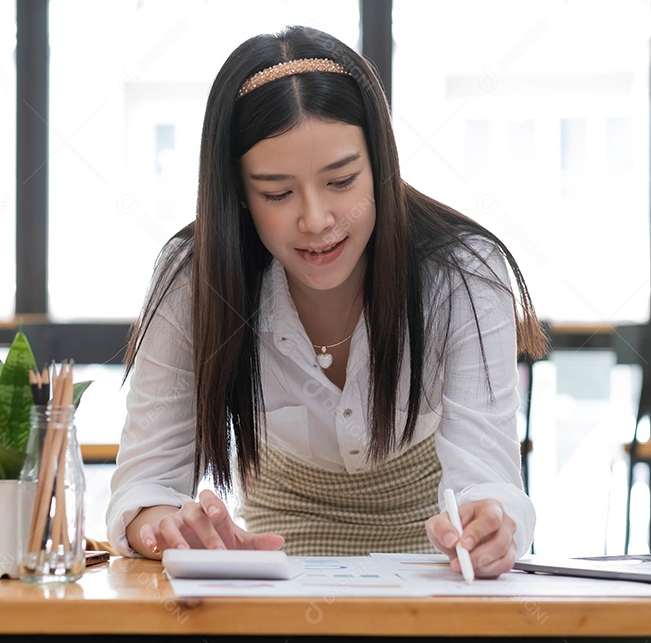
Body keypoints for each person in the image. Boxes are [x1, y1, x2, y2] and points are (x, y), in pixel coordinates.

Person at [107, 25, 548, 579]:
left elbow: (492, 478)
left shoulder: (463, 272)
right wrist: (166, 528)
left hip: (433, 571)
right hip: (271, 568)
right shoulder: (192, 280)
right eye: (277, 193)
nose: (316, 220)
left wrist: (492, 524)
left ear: (380, 166)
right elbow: (142, 486)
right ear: (238, 194)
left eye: (341, 181)